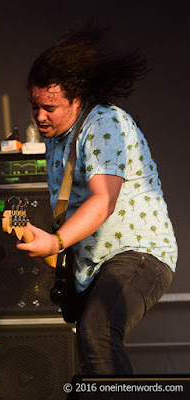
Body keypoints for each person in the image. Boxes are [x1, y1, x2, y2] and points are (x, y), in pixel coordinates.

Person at [16, 25, 178, 375]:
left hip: (138, 253)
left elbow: (103, 200)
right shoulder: (56, 136)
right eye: (34, 105)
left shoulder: (105, 122)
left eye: (50, 107)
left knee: (99, 332)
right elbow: (73, 213)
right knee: (90, 366)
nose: (39, 116)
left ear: (77, 99)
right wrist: (45, 244)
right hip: (93, 264)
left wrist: (56, 240)